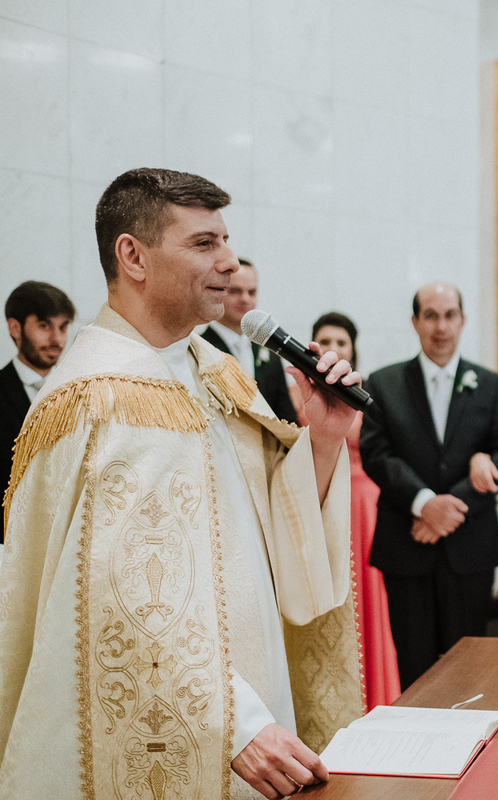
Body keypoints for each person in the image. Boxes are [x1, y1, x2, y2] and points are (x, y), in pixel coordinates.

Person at [0, 168, 363, 800]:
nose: (229, 262)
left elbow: (272, 532)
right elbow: (112, 602)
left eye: (226, 240)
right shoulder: (95, 399)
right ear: (132, 255)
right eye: (204, 244)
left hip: (256, 704)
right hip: (203, 728)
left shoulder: (215, 372)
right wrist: (236, 721)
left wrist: (325, 438)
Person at [360, 282, 498, 688]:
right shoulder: (383, 384)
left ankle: (469, 751)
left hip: (470, 550)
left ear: (463, 321)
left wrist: (448, 509)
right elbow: (377, 453)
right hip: (405, 547)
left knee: (469, 672)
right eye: (430, 315)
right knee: (415, 671)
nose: (441, 326)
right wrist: (424, 502)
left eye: (450, 315)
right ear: (415, 322)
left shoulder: (491, 385)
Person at [307, 311, 402, 710]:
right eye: (325, 340)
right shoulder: (300, 395)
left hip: (363, 506)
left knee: (368, 599)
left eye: (341, 342)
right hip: (318, 498)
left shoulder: (367, 396)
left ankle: (377, 693)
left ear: (352, 349)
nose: (333, 348)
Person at [0, 281, 75, 512]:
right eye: (44, 326)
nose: (57, 340)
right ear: (15, 328)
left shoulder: (77, 393)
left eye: (63, 327)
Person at [202, 257, 299, 424]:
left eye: (252, 292)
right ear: (218, 291)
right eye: (235, 291)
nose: (245, 299)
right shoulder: (200, 348)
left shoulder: (269, 353)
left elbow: (287, 419)